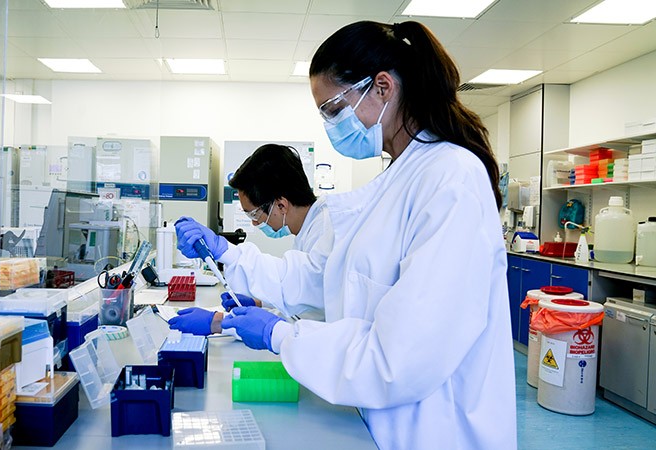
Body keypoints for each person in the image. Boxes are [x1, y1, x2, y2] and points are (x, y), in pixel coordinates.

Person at [219, 21, 517, 449]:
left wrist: (281, 335)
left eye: (334, 109)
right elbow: (332, 281)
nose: (331, 126)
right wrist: (234, 261)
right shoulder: (401, 175)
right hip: (381, 423)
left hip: (435, 431)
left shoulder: (450, 178)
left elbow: (402, 356)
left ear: (382, 88)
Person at [168, 143, 332, 335]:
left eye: (253, 214)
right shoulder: (312, 227)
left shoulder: (328, 231)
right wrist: (259, 303)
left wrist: (220, 322)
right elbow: (303, 301)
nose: (254, 224)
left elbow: (313, 319)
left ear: (281, 205)